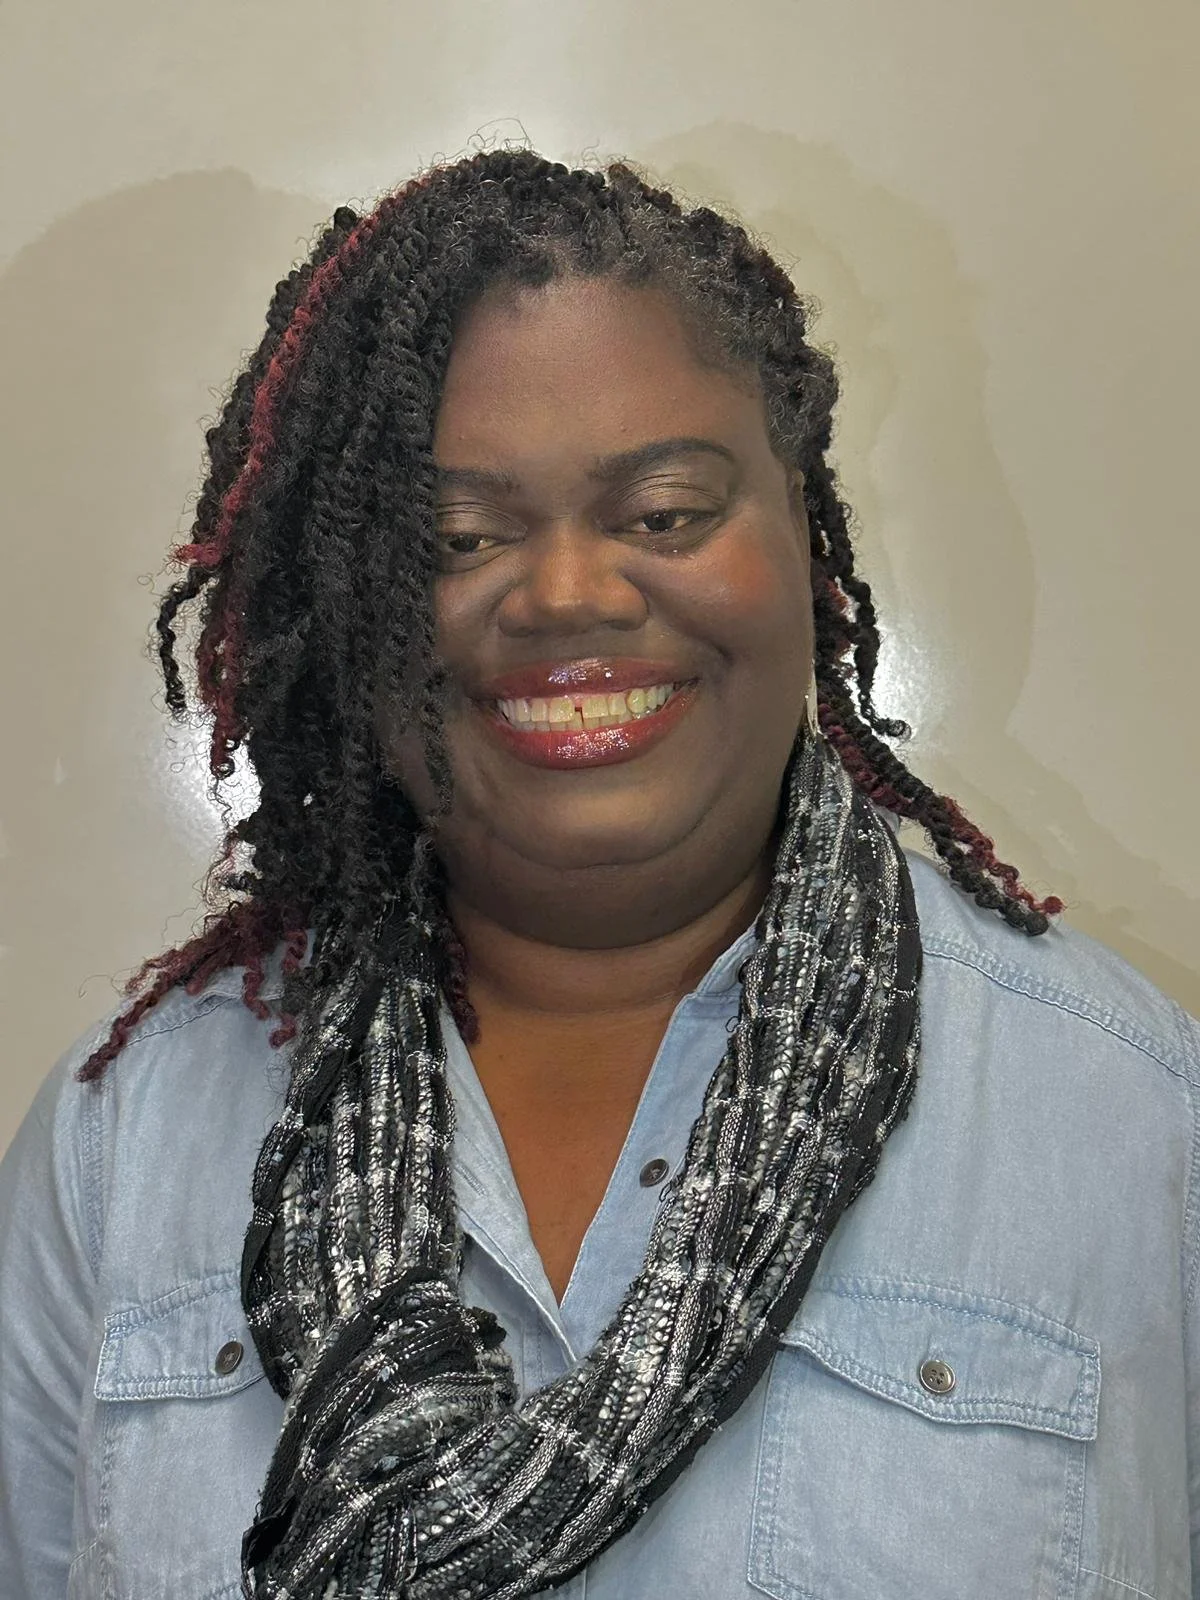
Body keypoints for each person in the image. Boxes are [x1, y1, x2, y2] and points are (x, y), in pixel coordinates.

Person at [0, 149, 1196, 1600]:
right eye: (454, 538)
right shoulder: (120, 1153)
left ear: (806, 548)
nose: (568, 593)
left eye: (667, 513)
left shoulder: (1135, 1123)